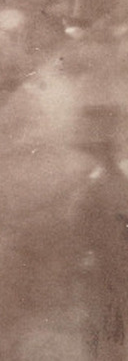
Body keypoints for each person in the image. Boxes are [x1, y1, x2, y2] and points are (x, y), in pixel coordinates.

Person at [73, 101, 128, 361]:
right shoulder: (98, 181)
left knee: (109, 341)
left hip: (110, 274)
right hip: (104, 274)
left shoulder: (107, 184)